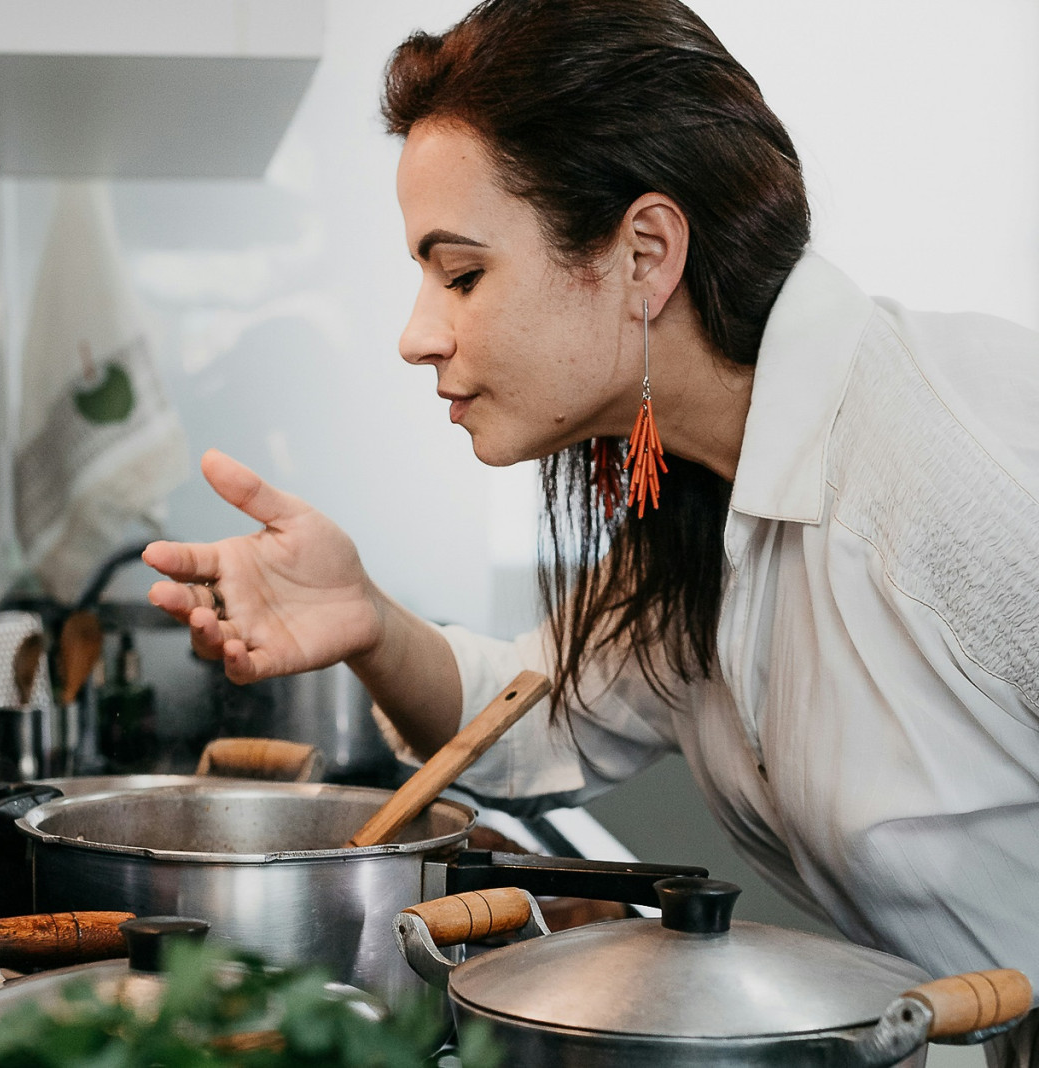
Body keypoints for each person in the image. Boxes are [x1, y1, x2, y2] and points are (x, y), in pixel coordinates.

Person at [142, 0, 1039, 1062]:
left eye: (461, 273)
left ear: (643, 253)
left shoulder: (962, 466)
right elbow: (534, 721)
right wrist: (369, 625)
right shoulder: (707, 496)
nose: (415, 335)